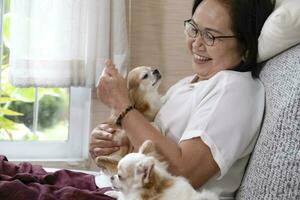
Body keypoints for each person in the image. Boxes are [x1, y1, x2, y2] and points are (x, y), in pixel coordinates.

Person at [90, 0, 275, 199]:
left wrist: (122, 106)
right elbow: (150, 142)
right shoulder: (188, 84)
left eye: (210, 36)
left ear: (246, 46)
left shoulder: (234, 89)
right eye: (194, 29)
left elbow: (183, 173)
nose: (196, 43)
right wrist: (113, 145)